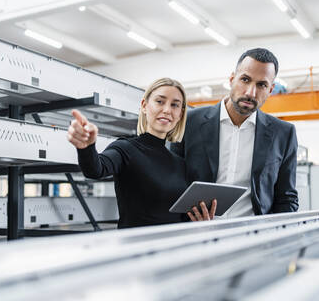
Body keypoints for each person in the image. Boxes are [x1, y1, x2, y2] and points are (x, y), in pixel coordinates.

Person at [171, 48, 298, 220]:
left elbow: (287, 198)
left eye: (262, 85)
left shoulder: (283, 133)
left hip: (254, 236)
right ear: (232, 79)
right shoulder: (189, 122)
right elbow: (172, 183)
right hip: (195, 233)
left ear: (271, 89)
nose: (250, 93)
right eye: (245, 79)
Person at [67, 78, 203, 228]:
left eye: (175, 105)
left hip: (173, 246)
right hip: (136, 247)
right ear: (144, 106)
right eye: (160, 101)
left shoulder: (180, 164)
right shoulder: (125, 149)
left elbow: (181, 217)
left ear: (180, 114)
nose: (167, 110)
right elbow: (95, 169)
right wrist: (87, 147)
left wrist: (198, 219)